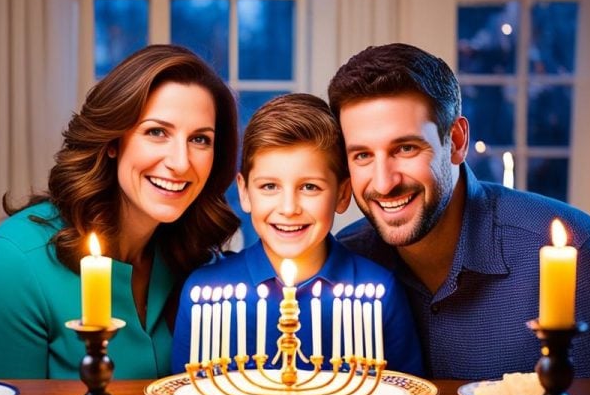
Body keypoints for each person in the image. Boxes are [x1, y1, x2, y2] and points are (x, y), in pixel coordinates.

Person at [328, 42, 590, 380]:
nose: (384, 182)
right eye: (362, 155)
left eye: (405, 148)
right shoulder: (347, 258)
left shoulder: (574, 251)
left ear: (457, 141)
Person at [0, 44, 240, 379]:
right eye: (157, 132)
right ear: (113, 141)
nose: (180, 163)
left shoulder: (193, 256)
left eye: (200, 140)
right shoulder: (16, 259)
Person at [171, 93, 423, 375]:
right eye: (269, 186)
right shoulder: (204, 292)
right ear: (244, 192)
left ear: (342, 194)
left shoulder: (379, 292)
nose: (289, 208)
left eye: (310, 187)